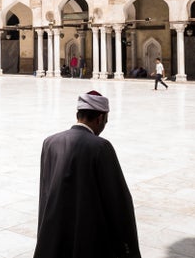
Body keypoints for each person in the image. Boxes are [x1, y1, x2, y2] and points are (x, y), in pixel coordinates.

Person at [34, 91, 141, 258]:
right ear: (100, 118)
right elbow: (117, 201)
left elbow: (45, 193)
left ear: (78, 114)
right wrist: (129, 249)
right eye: (106, 120)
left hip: (53, 237)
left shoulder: (50, 142)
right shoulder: (100, 147)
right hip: (88, 241)